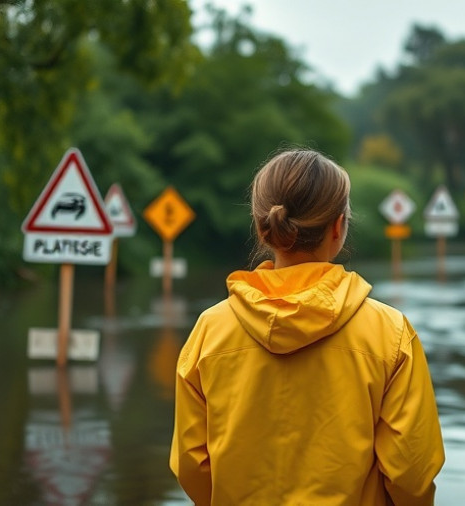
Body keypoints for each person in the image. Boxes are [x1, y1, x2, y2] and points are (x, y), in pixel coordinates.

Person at [170, 148, 445, 505]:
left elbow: (192, 464)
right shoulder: (390, 334)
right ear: (338, 226)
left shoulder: (210, 331)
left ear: (261, 227)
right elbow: (412, 474)